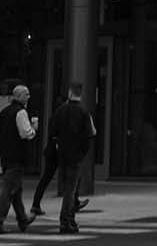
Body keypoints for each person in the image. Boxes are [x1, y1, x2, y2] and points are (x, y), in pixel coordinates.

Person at [44, 82, 94, 236]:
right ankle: (66, 220)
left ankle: (68, 219)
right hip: (75, 155)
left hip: (63, 153)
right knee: (71, 190)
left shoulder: (60, 111)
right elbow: (89, 135)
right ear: (81, 94)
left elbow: (52, 130)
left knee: (68, 187)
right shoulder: (83, 112)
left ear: (69, 93)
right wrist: (82, 152)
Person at [0, 84, 38, 234]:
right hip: (17, 156)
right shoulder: (21, 112)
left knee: (15, 190)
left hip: (5, 156)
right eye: (27, 94)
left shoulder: (4, 112)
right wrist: (34, 128)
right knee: (9, 190)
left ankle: (23, 220)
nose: (29, 97)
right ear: (19, 96)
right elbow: (26, 133)